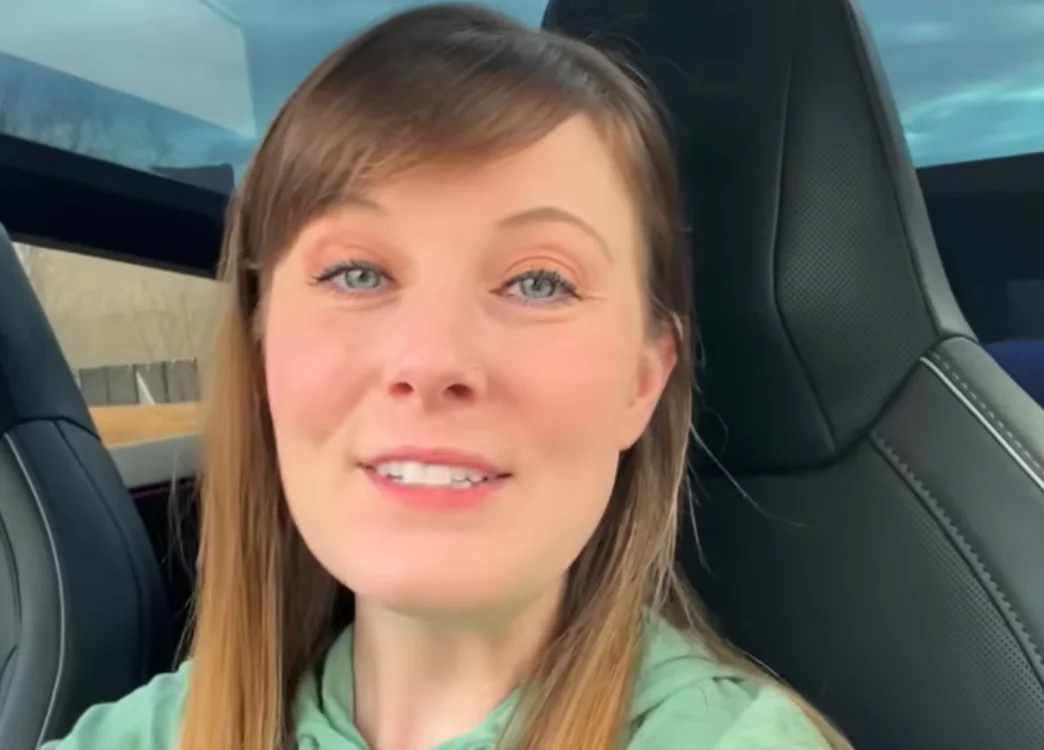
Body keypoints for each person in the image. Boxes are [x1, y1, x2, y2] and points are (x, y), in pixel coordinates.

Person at [43, 5, 853, 750]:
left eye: (539, 282)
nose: (430, 362)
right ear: (260, 357)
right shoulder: (152, 733)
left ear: (643, 383)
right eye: (357, 273)